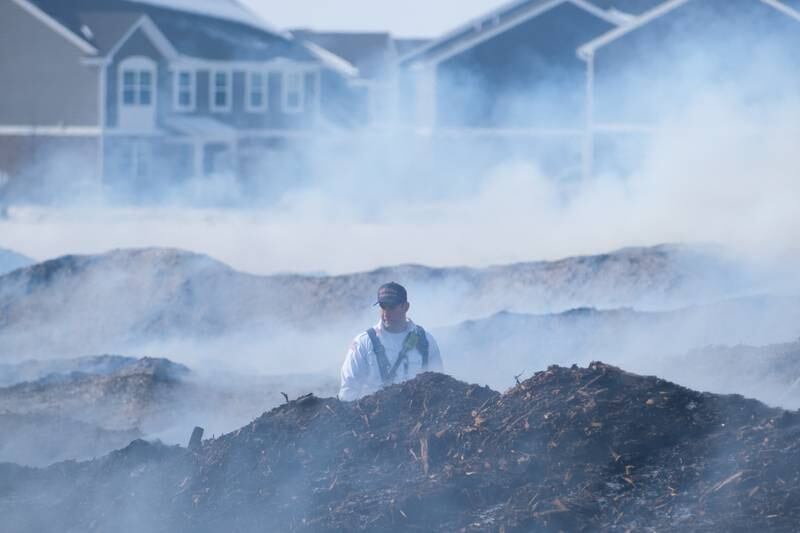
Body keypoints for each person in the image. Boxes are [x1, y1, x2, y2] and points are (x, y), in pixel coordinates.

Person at [338, 282, 443, 401]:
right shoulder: (363, 342)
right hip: (375, 416)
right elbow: (349, 389)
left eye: (392, 307)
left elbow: (439, 384)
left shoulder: (425, 340)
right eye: (383, 306)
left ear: (406, 306)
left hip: (419, 415)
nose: (386, 313)